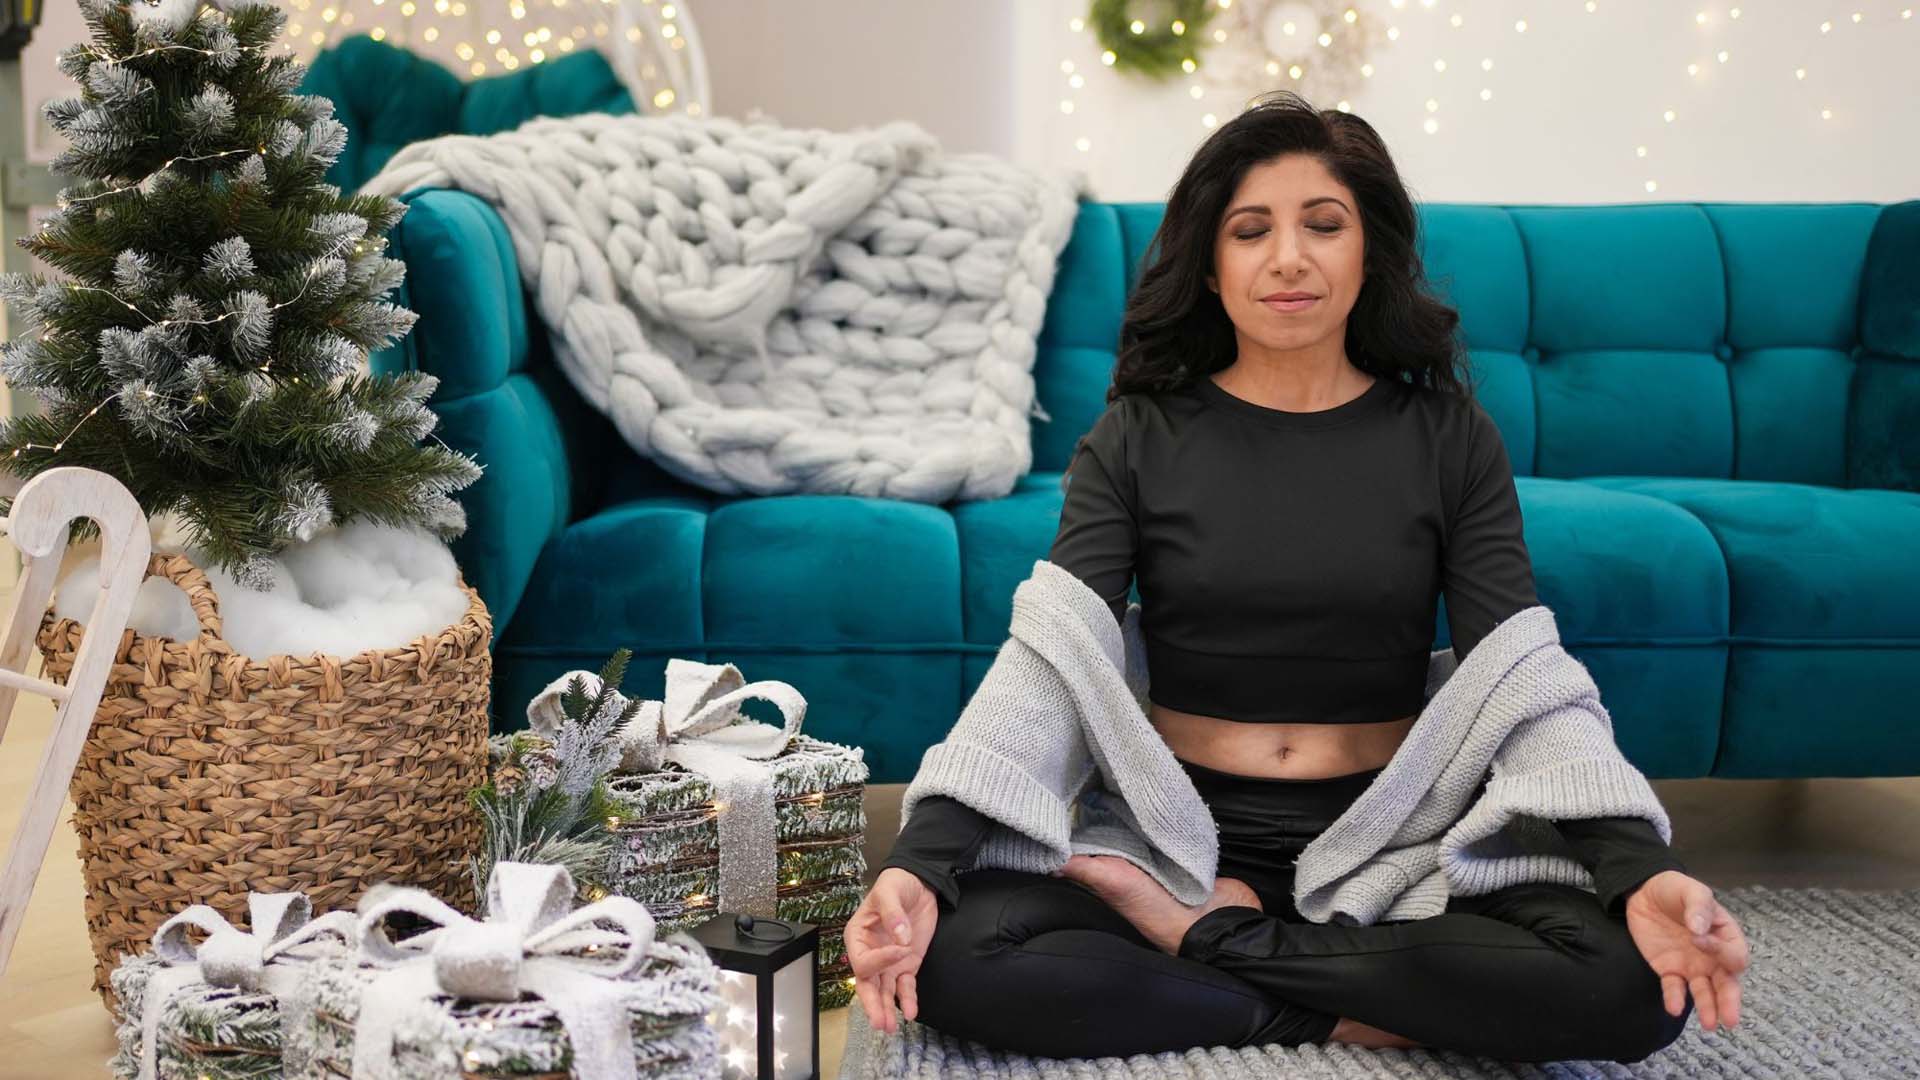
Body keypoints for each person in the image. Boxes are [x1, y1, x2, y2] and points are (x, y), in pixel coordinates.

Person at [844, 90, 1749, 1064]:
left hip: (1393, 841)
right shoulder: (1135, 437)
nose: (1288, 257)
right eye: (1251, 230)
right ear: (1211, 264)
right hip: (1177, 839)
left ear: (1369, 252)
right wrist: (921, 863)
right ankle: (1345, 1002)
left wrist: (1637, 868)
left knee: (1633, 987)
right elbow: (1050, 663)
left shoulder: (1450, 437)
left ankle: (1210, 945)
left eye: (1323, 224)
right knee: (959, 956)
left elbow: (1521, 677)